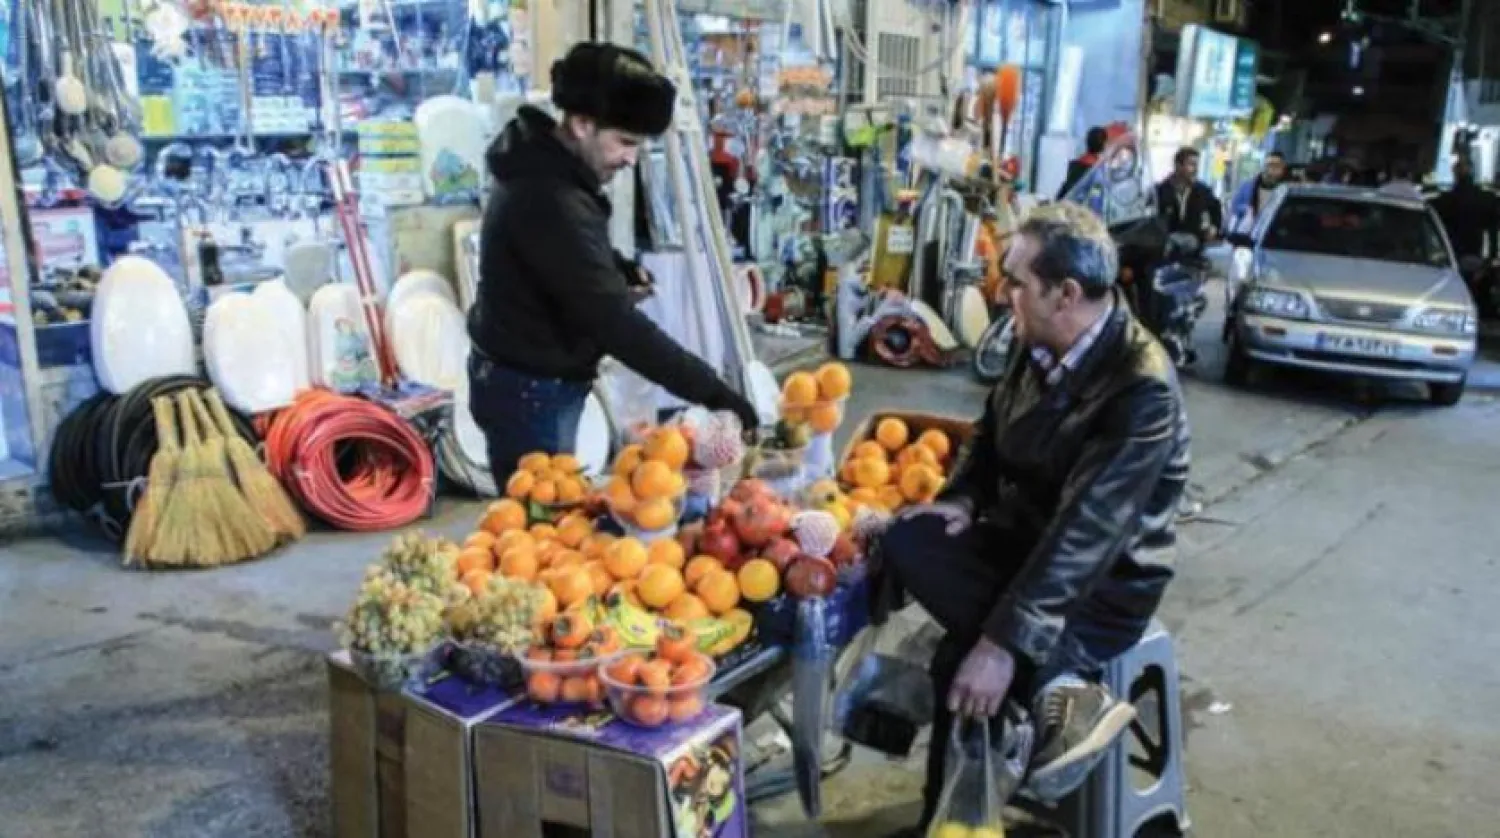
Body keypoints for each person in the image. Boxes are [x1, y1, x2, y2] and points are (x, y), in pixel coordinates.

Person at [872, 201, 1192, 835]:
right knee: (908, 535)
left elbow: (1087, 534)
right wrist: (961, 499)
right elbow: (988, 438)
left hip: (1099, 587)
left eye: (1015, 281)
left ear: (1064, 293)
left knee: (967, 660)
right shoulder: (1039, 340)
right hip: (1022, 548)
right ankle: (1058, 694)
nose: (1002, 293)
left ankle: (959, 809)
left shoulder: (1140, 387)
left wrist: (1001, 646)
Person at [468, 43, 759, 482]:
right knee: (540, 536)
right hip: (531, 391)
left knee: (547, 525)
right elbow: (617, 326)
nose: (630, 158)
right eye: (624, 142)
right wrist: (716, 394)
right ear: (582, 124)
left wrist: (612, 265)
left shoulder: (546, 167)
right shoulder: (551, 197)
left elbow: (556, 259)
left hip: (529, 377)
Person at [1430, 159, 1498, 265]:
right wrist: (1491, 257)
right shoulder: (1486, 199)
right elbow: (1493, 231)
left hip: (1451, 254)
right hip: (1475, 253)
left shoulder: (1445, 200)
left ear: (1455, 174)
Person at [1155, 147, 1222, 242]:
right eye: (1192, 165)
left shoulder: (1202, 190)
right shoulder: (1160, 191)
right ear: (1178, 166)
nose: (1196, 169)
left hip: (1195, 243)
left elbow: (1216, 210)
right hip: (1166, 243)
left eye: (1197, 165)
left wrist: (1213, 228)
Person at [1228, 151, 1288, 233]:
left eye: (1276, 165)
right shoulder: (1248, 186)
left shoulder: (1287, 190)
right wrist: (1247, 210)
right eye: (1269, 165)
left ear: (1283, 168)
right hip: (1247, 233)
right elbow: (1234, 206)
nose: (1271, 169)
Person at [1056, 126, 1108, 200]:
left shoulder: (1075, 164)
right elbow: (1096, 195)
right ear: (1103, 144)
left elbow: (1065, 189)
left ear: (1087, 141)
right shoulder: (1097, 170)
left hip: (1067, 205)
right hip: (1082, 209)